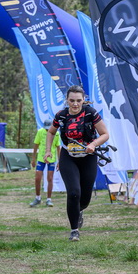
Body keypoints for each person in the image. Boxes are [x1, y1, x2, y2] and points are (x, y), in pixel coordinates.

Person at [44, 85, 109, 241]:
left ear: (83, 100)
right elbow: (51, 132)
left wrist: (93, 144)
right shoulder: (61, 115)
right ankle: (74, 230)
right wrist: (48, 151)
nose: (75, 104)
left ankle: (79, 210)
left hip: (88, 157)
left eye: (78, 100)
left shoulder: (91, 113)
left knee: (84, 198)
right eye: (72, 100)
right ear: (67, 100)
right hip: (68, 156)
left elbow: (105, 134)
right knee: (73, 193)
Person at [29, 119, 61, 207]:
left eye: (48, 128)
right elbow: (36, 145)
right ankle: (37, 198)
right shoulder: (40, 132)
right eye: (46, 128)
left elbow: (58, 148)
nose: (47, 130)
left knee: (50, 178)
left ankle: (49, 199)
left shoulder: (57, 134)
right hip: (41, 158)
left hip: (51, 159)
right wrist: (33, 159)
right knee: (37, 178)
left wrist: (59, 161)